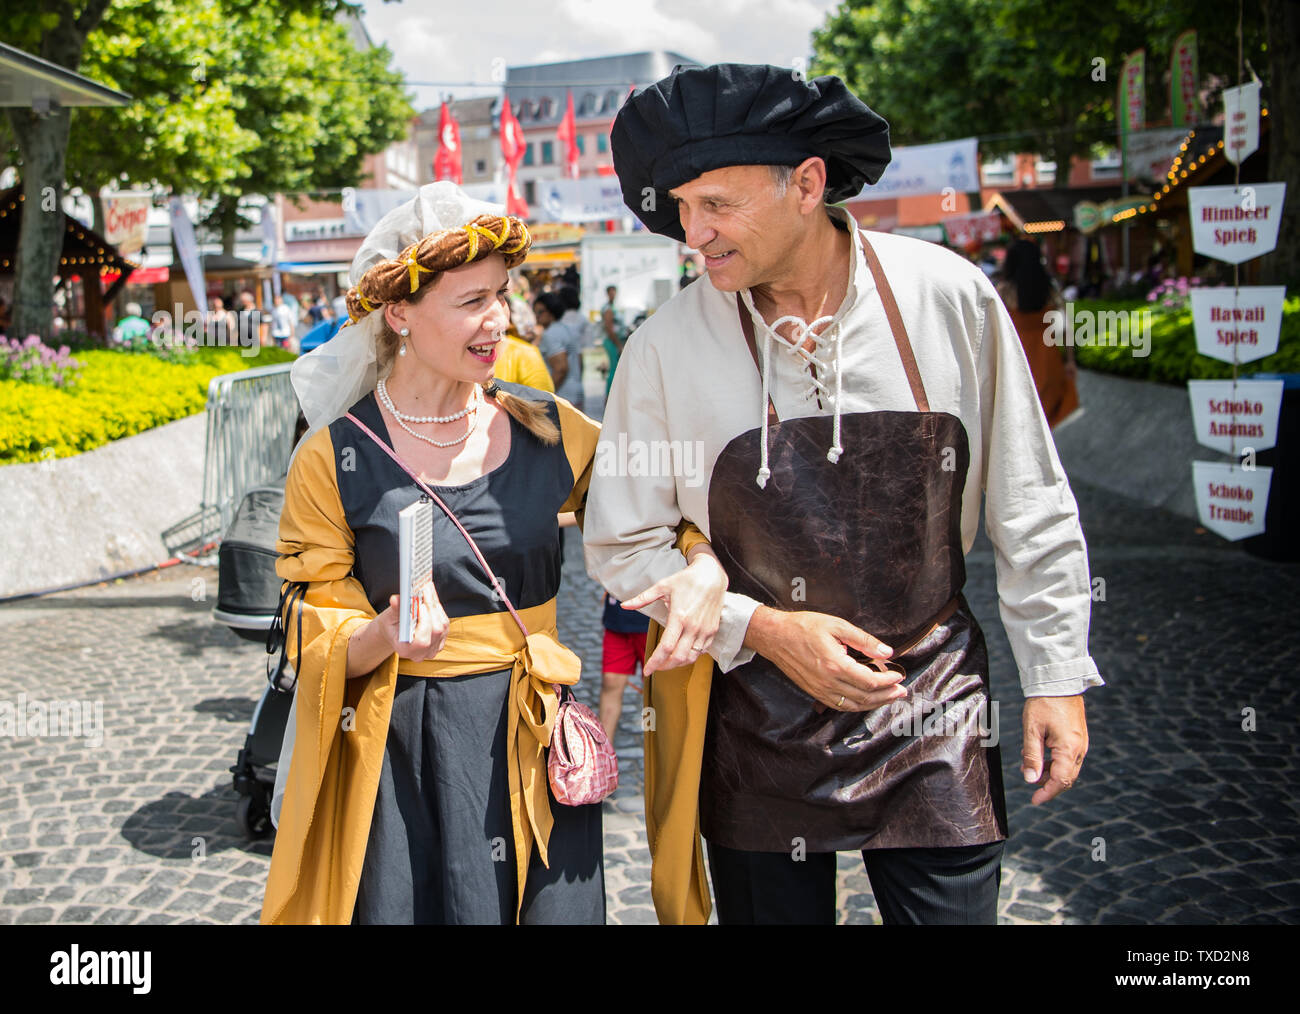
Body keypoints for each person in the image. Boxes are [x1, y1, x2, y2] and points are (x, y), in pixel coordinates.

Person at [584, 63, 1102, 926]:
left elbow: (1030, 497)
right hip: (756, 721)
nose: (693, 233)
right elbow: (620, 545)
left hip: (930, 703)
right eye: (680, 208)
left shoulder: (949, 298)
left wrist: (1054, 673)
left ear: (808, 184)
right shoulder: (664, 348)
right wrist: (769, 631)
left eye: (716, 203)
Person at [260, 181, 725, 925]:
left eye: (501, 295)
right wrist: (381, 633)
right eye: (472, 300)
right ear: (400, 313)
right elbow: (305, 627)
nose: (499, 319)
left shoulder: (550, 429)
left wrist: (701, 562)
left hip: (539, 737)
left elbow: (658, 507)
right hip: (402, 752)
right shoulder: (331, 458)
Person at [998, 237, 1079, 428]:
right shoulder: (1050, 290)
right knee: (1047, 422)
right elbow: (1066, 327)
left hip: (1018, 362)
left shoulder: (1004, 292)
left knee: (1024, 422)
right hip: (1049, 360)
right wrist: (1070, 360)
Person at [597, 590, 650, 741]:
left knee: (654, 690)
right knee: (611, 680)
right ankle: (603, 754)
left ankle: (653, 745)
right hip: (618, 614)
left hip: (653, 617)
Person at [534, 290, 584, 411]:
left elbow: (561, 369)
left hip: (562, 396)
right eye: (535, 312)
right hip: (575, 391)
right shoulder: (567, 328)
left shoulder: (551, 334)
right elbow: (580, 360)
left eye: (540, 312)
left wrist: (545, 396)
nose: (537, 316)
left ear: (551, 311)